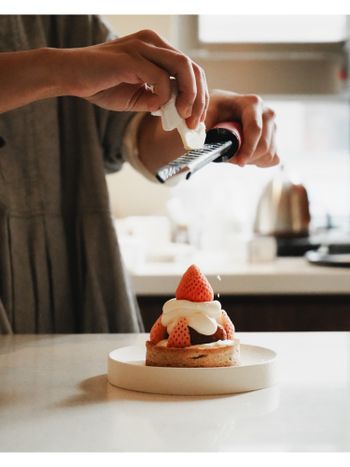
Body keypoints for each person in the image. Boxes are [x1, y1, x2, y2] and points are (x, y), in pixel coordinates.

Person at [0, 15, 279, 334]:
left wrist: (203, 119)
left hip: (70, 280)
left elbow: (138, 138)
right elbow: (79, 71)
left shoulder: (61, 17)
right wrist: (59, 69)